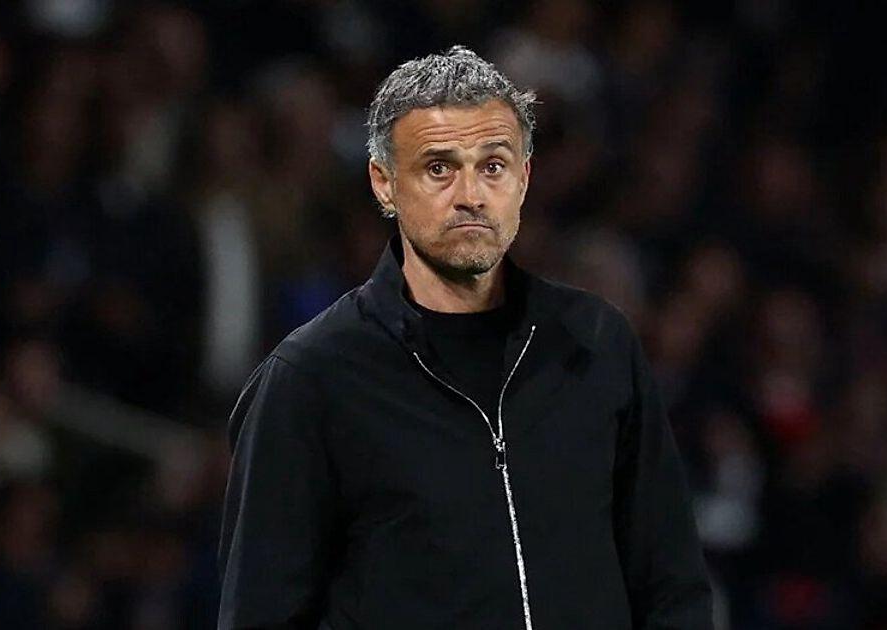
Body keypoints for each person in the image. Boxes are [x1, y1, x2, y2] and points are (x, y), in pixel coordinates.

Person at [217, 46, 713, 630]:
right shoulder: (311, 378)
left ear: (524, 179)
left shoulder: (597, 343)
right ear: (384, 184)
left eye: (493, 166)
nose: (471, 195)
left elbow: (671, 585)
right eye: (438, 168)